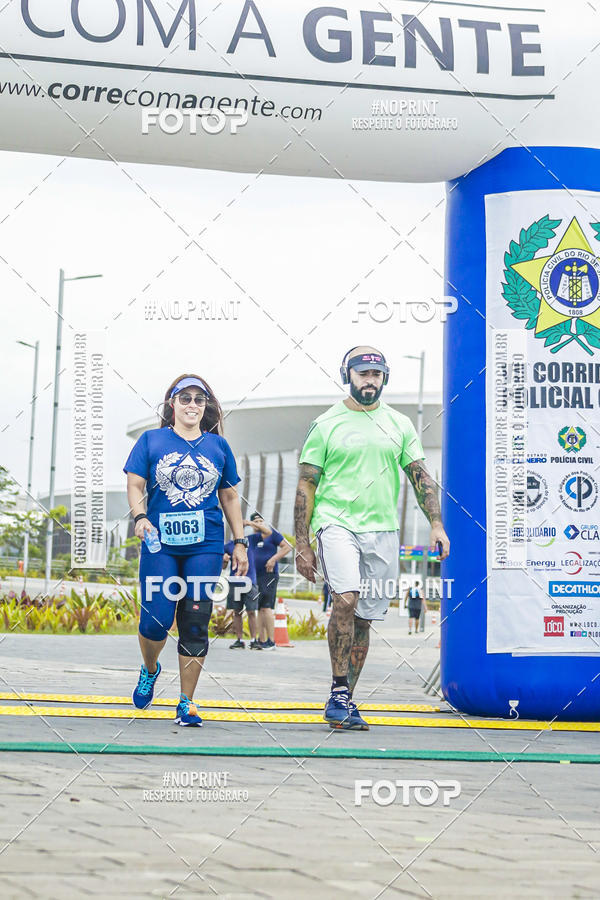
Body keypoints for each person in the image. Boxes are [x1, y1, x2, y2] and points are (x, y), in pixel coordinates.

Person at [294, 346, 450, 730]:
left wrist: (436, 523)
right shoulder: (326, 424)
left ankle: (344, 699)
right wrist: (302, 543)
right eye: (362, 373)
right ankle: (338, 692)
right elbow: (306, 484)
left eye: (376, 375)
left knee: (364, 618)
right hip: (336, 524)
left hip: (382, 530)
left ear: (385, 378)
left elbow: (420, 476)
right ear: (348, 374)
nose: (369, 380)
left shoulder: (399, 424)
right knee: (346, 599)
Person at [124, 374, 249, 726]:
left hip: (205, 544)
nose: (192, 405)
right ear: (172, 404)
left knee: (195, 621)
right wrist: (141, 517)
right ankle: (150, 668)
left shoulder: (218, 446)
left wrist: (239, 543)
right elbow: (135, 485)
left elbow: (228, 496)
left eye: (199, 399)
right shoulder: (152, 440)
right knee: (157, 619)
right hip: (160, 543)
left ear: (206, 406)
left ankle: (186, 702)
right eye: (185, 398)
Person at [247, 512, 292, 650]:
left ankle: (271, 641)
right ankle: (261, 640)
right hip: (256, 576)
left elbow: (288, 547)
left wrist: (273, 559)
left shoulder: (272, 534)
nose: (259, 523)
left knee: (266, 607)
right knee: (259, 608)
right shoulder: (253, 538)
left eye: (261, 521)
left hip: (269, 575)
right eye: (256, 521)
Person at [223, 533, 261, 650]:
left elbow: (267, 533)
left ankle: (254, 640)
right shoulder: (228, 545)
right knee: (237, 612)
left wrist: (251, 523)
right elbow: (223, 566)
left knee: (251, 612)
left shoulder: (251, 540)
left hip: (250, 582)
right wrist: (224, 560)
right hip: (234, 582)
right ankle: (239, 640)